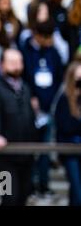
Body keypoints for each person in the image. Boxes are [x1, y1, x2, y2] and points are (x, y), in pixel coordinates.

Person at [0, 49, 38, 206]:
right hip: (4, 156)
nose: (16, 66)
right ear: (2, 65)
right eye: (12, 62)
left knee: (23, 197)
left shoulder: (25, 88)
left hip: (25, 154)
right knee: (8, 197)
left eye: (19, 62)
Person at [20, 19, 64, 196]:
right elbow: (23, 77)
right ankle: (29, 186)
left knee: (45, 149)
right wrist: (30, 97)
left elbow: (60, 76)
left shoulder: (53, 52)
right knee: (30, 149)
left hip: (49, 108)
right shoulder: (25, 51)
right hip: (30, 109)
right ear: (37, 35)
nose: (49, 40)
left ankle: (44, 184)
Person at [54, 60, 81, 206]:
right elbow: (66, 126)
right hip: (69, 150)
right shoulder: (64, 99)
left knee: (75, 193)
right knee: (78, 193)